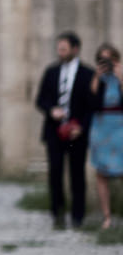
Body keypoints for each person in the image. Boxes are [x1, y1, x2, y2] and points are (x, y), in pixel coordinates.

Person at [35, 30, 95, 229]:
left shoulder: (88, 74)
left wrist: (82, 128)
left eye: (64, 48)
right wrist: (51, 110)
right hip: (54, 131)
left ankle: (78, 216)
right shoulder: (51, 72)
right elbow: (40, 100)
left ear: (75, 49)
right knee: (55, 173)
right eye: (58, 49)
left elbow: (91, 106)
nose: (60, 52)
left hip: (76, 133)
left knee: (77, 174)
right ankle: (57, 213)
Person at [89, 43, 123, 228]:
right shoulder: (96, 79)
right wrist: (96, 78)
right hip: (101, 127)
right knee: (101, 173)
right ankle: (107, 216)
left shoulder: (120, 76)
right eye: (103, 60)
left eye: (110, 59)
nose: (107, 63)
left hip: (120, 127)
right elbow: (92, 104)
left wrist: (121, 77)